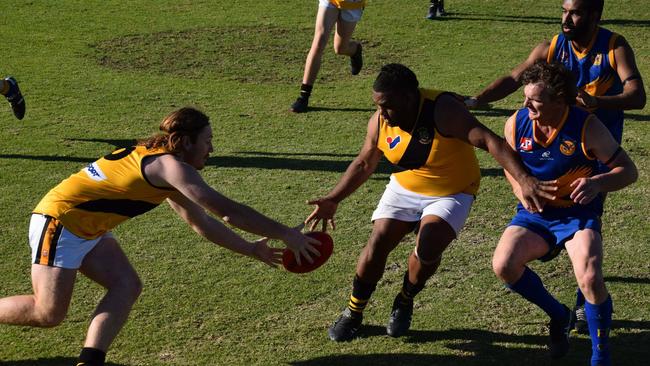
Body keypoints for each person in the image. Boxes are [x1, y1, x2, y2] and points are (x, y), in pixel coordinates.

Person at [0, 107, 321, 366]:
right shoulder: (171, 168)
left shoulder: (163, 163)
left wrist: (251, 249)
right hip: (61, 221)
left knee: (126, 284)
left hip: (88, 226)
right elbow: (226, 210)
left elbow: (203, 224)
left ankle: (90, 360)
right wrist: (286, 234)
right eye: (207, 140)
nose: (212, 148)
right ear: (185, 142)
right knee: (48, 313)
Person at [305, 63, 556, 342]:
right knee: (378, 241)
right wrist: (333, 199)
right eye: (378, 105)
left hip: (453, 189)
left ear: (410, 97)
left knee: (429, 243)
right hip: (408, 184)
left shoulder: (443, 110)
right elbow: (365, 163)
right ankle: (353, 312)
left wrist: (523, 178)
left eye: (387, 105)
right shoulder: (380, 121)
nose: (382, 113)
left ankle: (405, 298)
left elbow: (488, 140)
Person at [465, 0, 645, 333]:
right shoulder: (551, 48)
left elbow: (638, 95)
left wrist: (600, 103)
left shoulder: (614, 47)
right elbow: (514, 78)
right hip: (553, 143)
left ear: (595, 15)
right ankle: (563, 273)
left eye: (575, 11)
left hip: (594, 151)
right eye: (564, 10)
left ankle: (584, 298)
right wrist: (477, 100)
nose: (566, 18)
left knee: (587, 214)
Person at [493, 62, 637, 365]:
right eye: (525, 97)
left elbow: (629, 171)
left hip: (577, 215)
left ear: (560, 100)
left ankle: (601, 357)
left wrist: (598, 183)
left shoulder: (587, 127)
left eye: (535, 100)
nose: (526, 104)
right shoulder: (517, 122)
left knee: (590, 277)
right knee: (504, 265)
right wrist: (522, 190)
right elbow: (510, 163)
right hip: (536, 215)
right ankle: (559, 315)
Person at [290, 0, 365, 113]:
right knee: (319, 41)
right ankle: (303, 97)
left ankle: (354, 50)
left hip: (352, 3)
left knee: (340, 48)